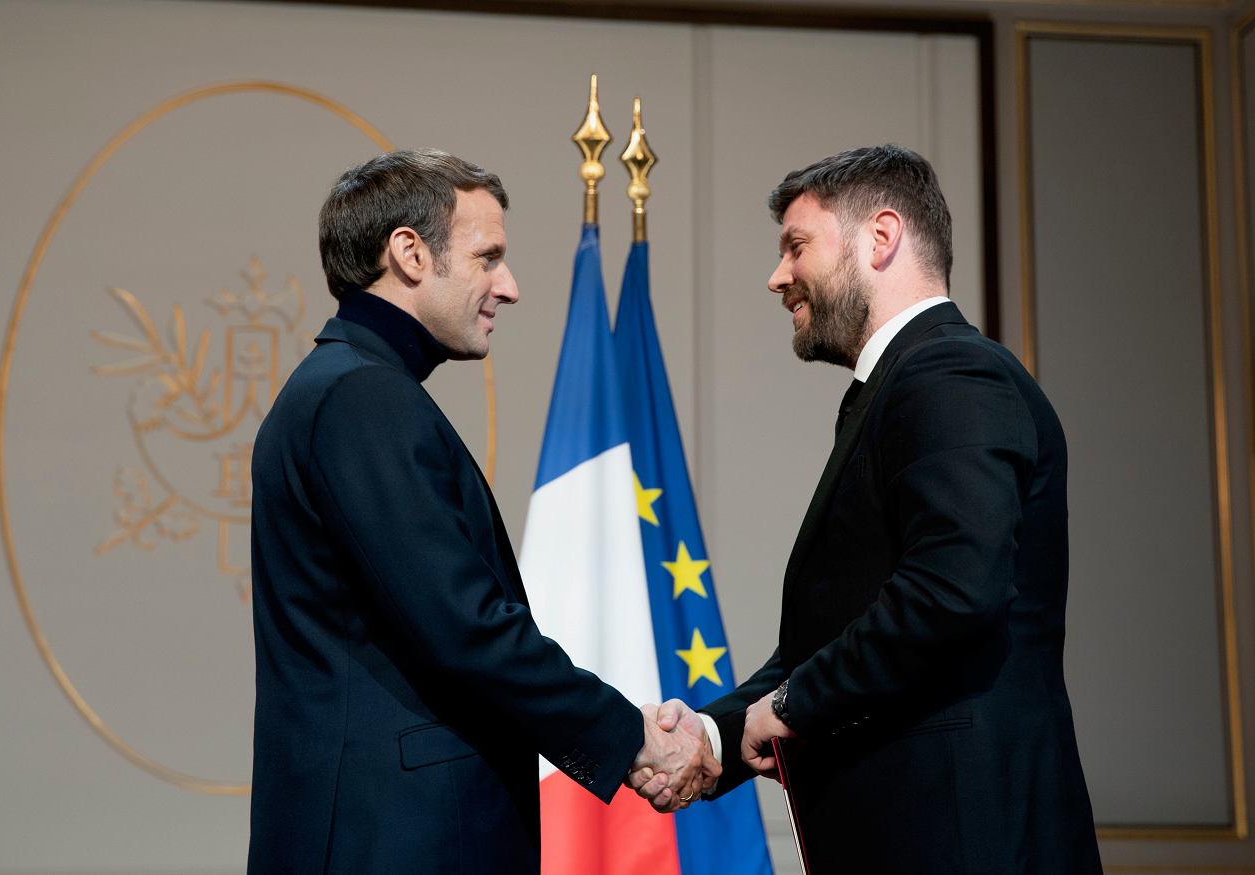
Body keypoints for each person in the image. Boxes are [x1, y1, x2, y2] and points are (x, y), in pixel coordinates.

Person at [634, 145, 1102, 872]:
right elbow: (839, 632)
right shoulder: (904, 385)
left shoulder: (952, 373)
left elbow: (951, 594)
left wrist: (786, 709)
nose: (777, 276)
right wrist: (716, 735)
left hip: (965, 841)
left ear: (881, 238)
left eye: (796, 246)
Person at [247, 150, 713, 874]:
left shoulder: (348, 387)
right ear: (410, 253)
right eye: (487, 257)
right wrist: (633, 737)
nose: (510, 286)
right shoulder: (363, 398)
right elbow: (465, 628)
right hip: (393, 842)